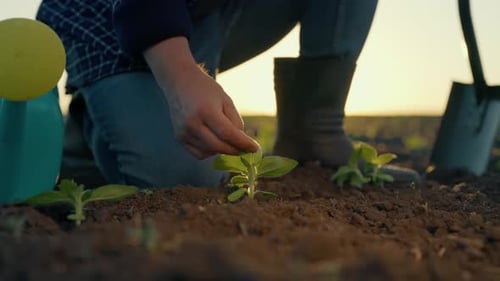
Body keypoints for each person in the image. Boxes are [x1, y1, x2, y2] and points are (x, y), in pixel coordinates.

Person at [37, 0, 418, 189]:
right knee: (184, 177)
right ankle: (90, 123)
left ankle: (315, 133)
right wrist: (181, 75)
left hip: (210, 10)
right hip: (111, 15)